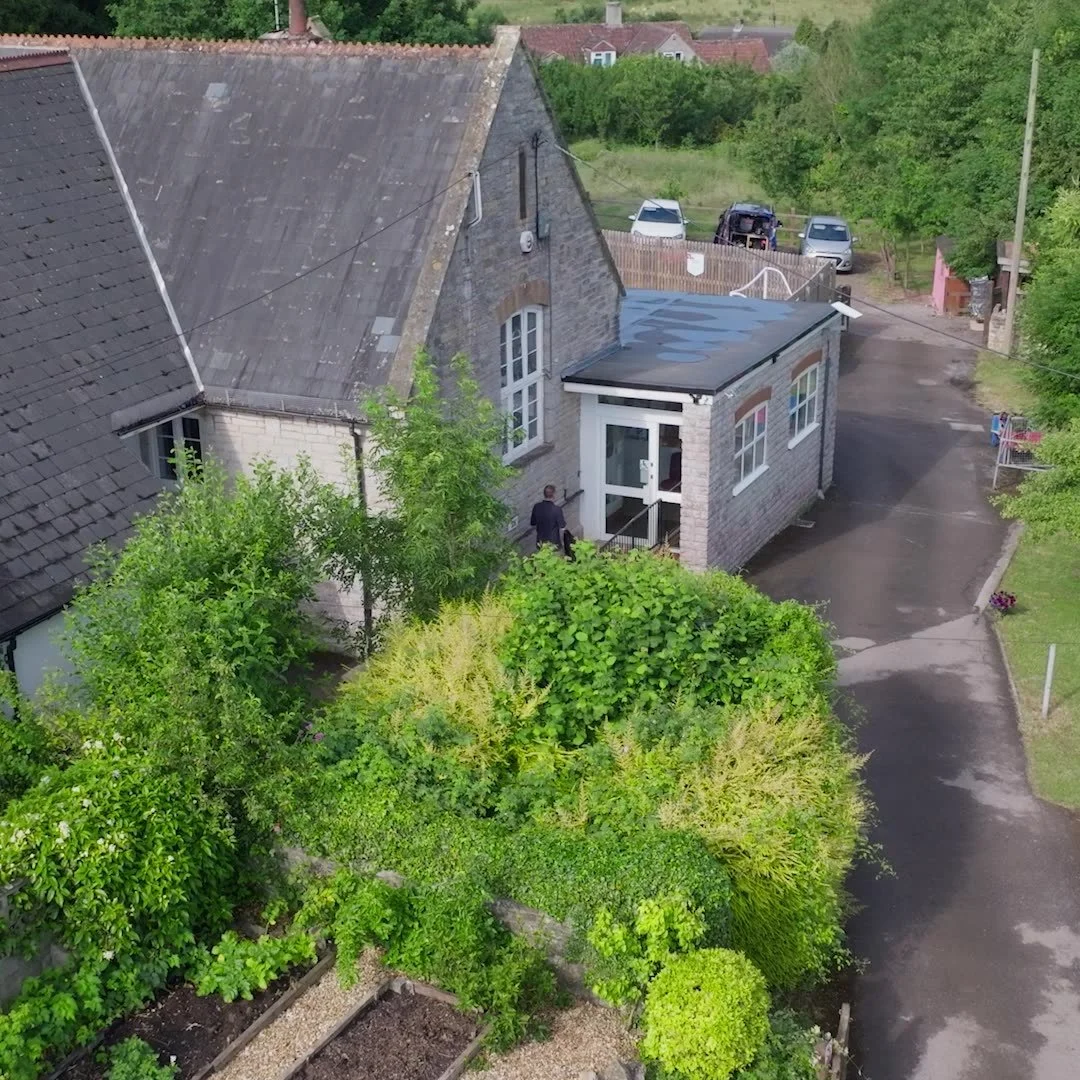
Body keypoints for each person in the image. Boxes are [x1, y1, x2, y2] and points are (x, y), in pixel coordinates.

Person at [530, 484, 566, 551]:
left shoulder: (536, 507)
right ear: (554, 495)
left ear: (544, 494)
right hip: (553, 543)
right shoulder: (557, 509)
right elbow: (562, 525)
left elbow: (533, 522)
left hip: (540, 542)